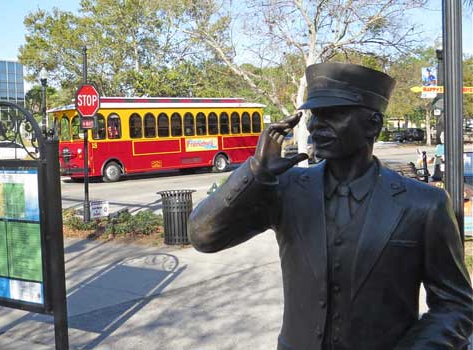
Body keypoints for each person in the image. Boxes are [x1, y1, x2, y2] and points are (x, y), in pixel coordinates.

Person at [188, 62, 472, 350]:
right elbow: (204, 237)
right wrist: (255, 172)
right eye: (313, 115)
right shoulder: (286, 190)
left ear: (373, 124)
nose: (314, 126)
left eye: (332, 115)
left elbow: (456, 305)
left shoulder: (423, 204)